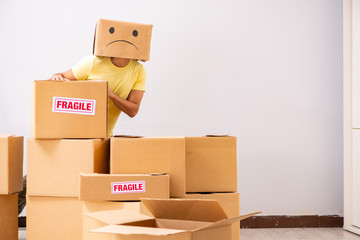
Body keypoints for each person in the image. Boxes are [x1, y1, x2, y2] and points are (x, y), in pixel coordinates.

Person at [18, 19, 153, 215]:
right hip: (70, 134)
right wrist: (56, 78)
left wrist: (110, 94)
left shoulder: (138, 71)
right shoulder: (93, 62)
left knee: (93, 187)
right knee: (36, 176)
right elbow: (58, 77)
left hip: (101, 138)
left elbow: (133, 110)